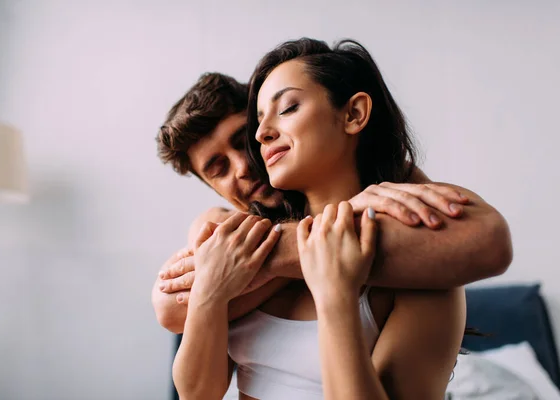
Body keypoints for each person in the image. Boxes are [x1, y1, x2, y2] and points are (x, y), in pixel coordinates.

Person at [168, 38, 511, 399]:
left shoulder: (423, 276)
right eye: (218, 168)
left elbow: (487, 238)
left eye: (287, 108)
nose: (259, 137)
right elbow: (197, 392)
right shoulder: (241, 247)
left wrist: (335, 295)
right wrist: (211, 284)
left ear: (353, 114)